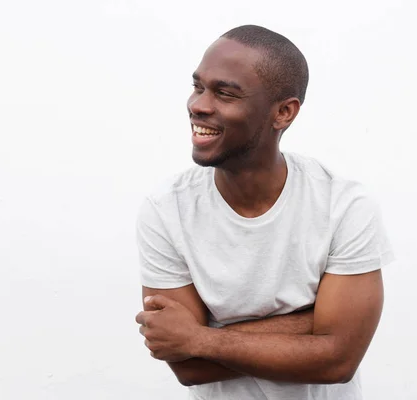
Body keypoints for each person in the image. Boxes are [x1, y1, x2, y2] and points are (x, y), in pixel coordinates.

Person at [134, 24, 394, 400]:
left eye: (224, 93)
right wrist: (315, 328)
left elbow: (338, 361)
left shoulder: (344, 206)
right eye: (198, 87)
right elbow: (187, 365)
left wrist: (200, 337)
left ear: (284, 113)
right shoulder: (166, 210)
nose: (199, 105)